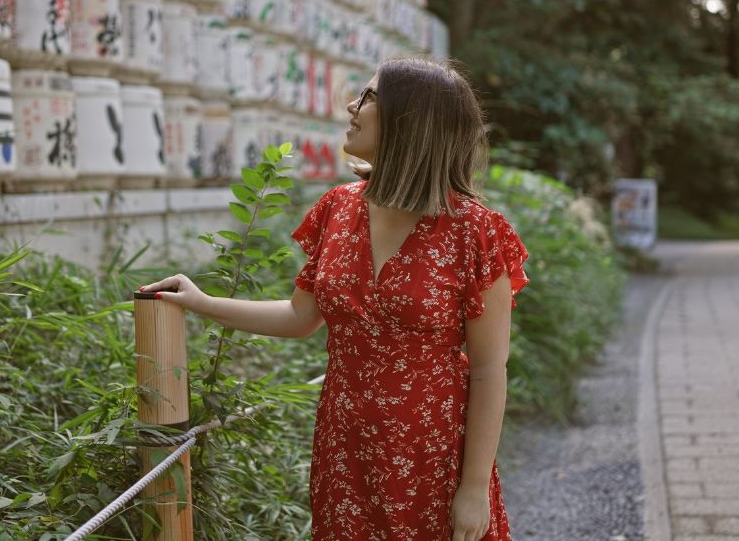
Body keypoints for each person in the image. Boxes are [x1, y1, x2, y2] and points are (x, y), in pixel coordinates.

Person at [140, 56, 529, 541]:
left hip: (434, 452)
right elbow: (300, 316)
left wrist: (472, 488)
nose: (352, 105)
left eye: (368, 97)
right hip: (344, 450)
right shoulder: (337, 208)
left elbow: (489, 368)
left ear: (410, 120)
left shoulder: (477, 232)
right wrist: (201, 301)